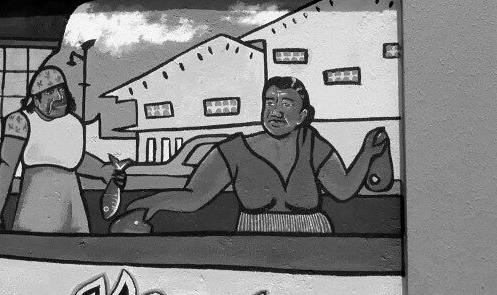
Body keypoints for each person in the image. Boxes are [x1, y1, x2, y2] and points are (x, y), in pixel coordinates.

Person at [117, 75, 394, 234]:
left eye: (286, 103)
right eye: (269, 101)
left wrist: (368, 153)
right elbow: (194, 197)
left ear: (302, 116)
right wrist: (147, 204)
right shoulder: (233, 150)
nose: (275, 111)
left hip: (314, 239)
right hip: (253, 239)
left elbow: (343, 190)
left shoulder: (313, 144)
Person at [0, 63, 129, 234]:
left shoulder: (73, 123)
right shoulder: (20, 121)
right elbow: (7, 164)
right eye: (49, 92)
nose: (59, 96)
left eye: (61, 90)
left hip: (73, 208)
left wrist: (104, 171)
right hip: (37, 205)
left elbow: (74, 158)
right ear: (36, 99)